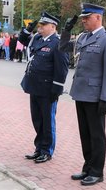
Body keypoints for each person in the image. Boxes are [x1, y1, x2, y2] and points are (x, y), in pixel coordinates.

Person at [59, 3, 106, 186]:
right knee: (85, 134)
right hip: (81, 93)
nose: (83, 20)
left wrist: (105, 98)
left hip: (95, 97)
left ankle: (97, 171)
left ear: (98, 17)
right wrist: (66, 30)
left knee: (97, 135)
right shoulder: (83, 38)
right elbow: (63, 47)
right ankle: (88, 167)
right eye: (83, 17)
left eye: (87, 17)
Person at [19, 12, 69, 163]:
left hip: (48, 90)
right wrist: (28, 29)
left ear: (53, 27)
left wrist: (57, 89)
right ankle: (39, 148)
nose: (40, 27)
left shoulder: (58, 43)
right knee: (37, 120)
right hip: (34, 86)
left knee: (48, 122)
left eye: (43, 25)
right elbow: (22, 40)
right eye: (39, 25)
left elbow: (62, 68)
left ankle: (47, 151)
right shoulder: (38, 39)